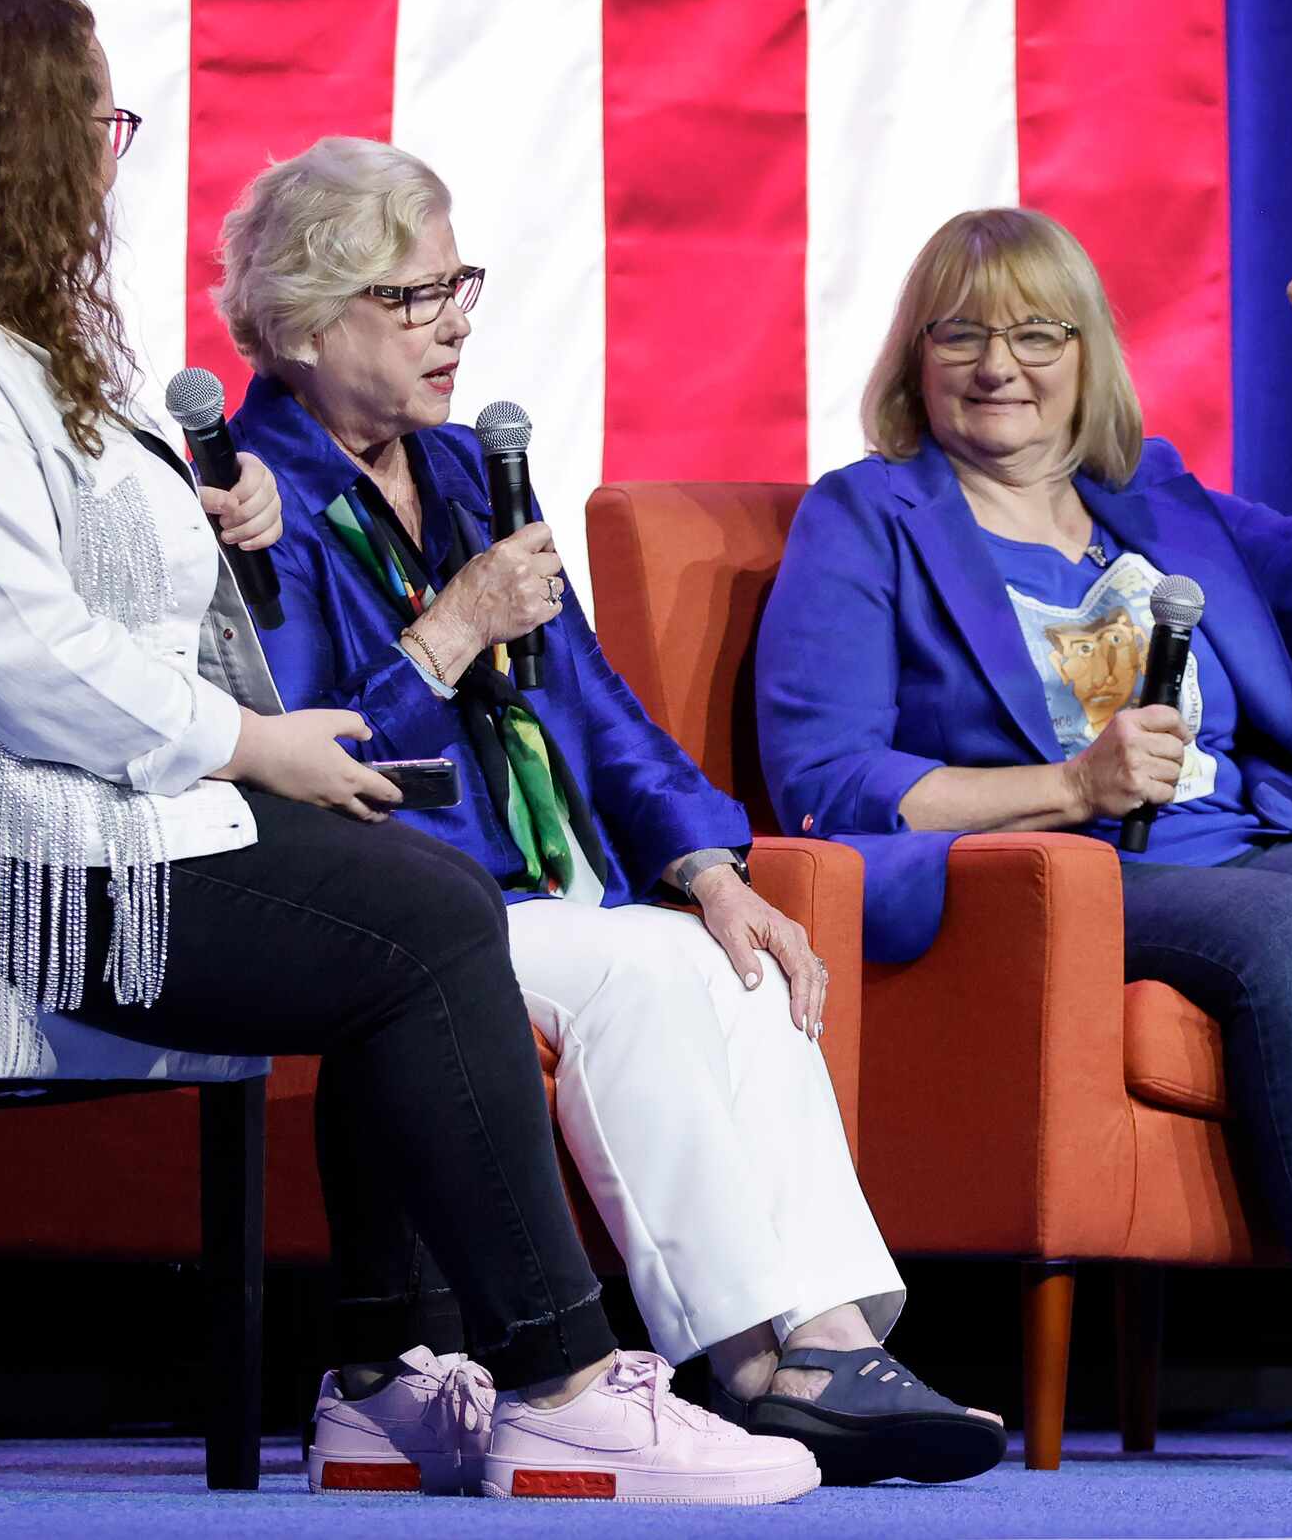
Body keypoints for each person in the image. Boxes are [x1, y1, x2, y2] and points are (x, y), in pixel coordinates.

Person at [0, 0, 819, 1505]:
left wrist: (203, 515)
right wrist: (251, 741)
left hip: (45, 815)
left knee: (394, 902)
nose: (113, 153)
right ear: (14, 137)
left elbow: (62, 576)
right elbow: (19, 655)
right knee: (424, 915)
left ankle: (381, 1382)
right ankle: (559, 1379)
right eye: (96, 119)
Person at [756, 207, 1292, 1478]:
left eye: (1037, 334)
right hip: (1059, 878)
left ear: (1088, 355)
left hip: (1238, 844)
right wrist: (1065, 784)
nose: (1000, 365)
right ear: (913, 359)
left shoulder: (1154, 502)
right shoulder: (871, 518)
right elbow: (827, 782)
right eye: (963, 335)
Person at [213, 136, 1004, 1489]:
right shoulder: (248, 501)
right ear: (298, 322)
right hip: (402, 901)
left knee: (737, 958)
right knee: (641, 967)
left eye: (459, 281)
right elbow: (312, 755)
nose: (456, 319)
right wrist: (450, 631)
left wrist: (709, 862)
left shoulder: (468, 475)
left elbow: (591, 699)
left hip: (548, 883)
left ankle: (827, 1338)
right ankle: (751, 1362)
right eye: (413, 297)